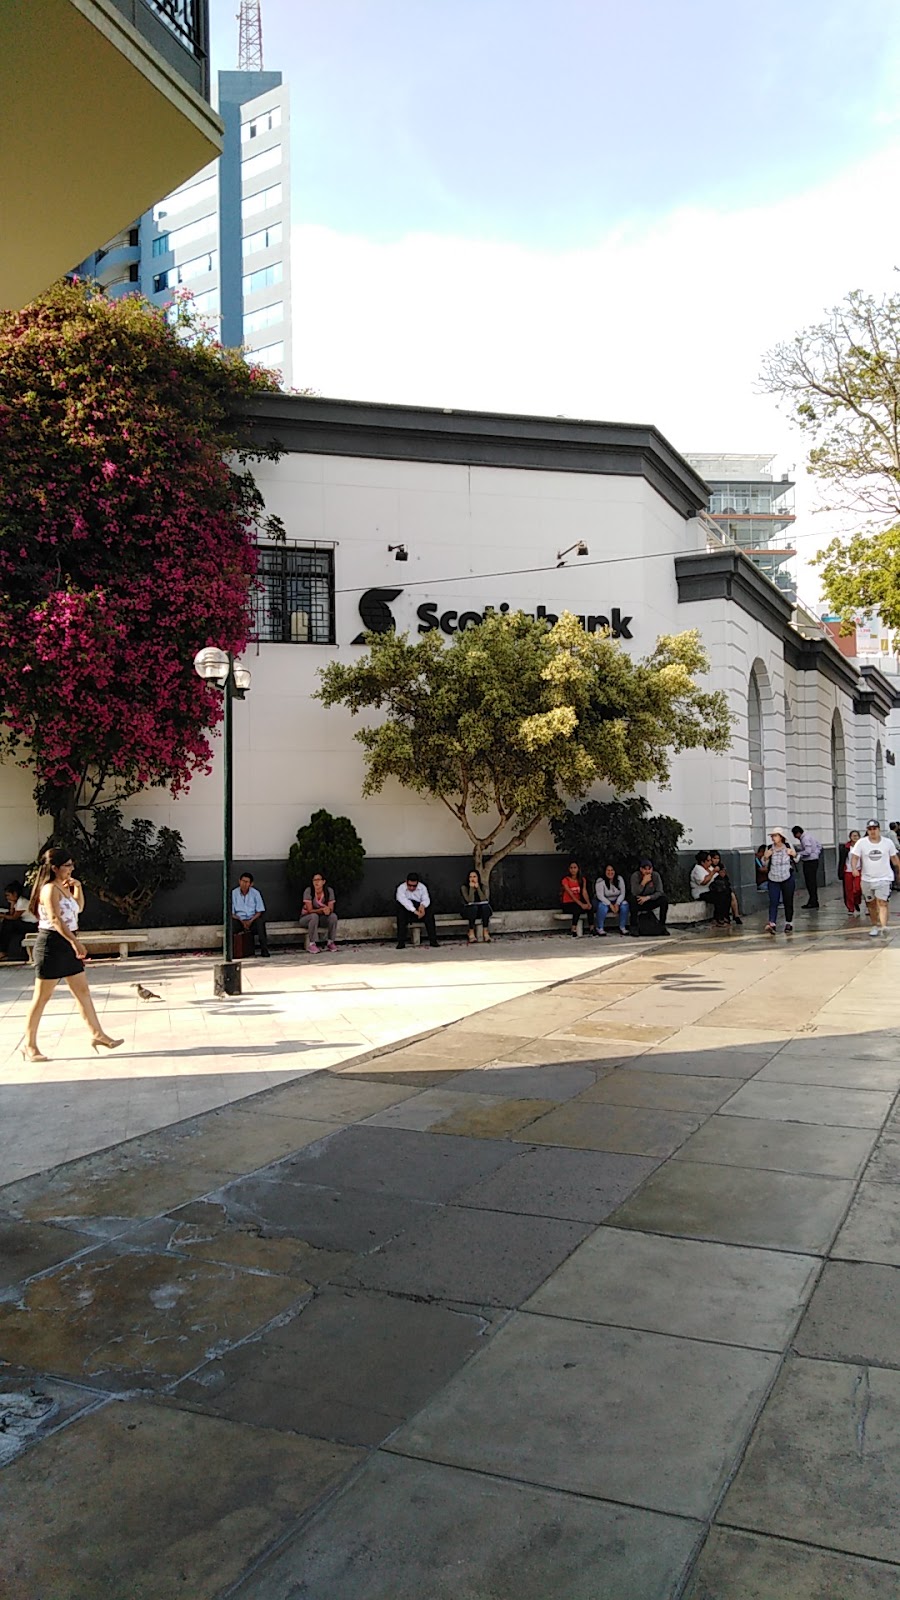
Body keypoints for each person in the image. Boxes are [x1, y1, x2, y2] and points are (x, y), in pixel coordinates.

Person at [23, 848, 122, 1063]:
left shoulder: (64, 886)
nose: (71, 869)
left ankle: (98, 1034)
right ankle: (29, 1045)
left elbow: (78, 908)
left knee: (82, 991)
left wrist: (78, 887)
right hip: (52, 944)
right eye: (67, 865)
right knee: (41, 997)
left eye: (71, 865)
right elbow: (55, 920)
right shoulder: (49, 889)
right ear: (55, 868)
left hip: (67, 941)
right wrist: (75, 942)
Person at [850, 821, 900, 938]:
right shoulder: (861, 843)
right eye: (870, 829)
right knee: (871, 904)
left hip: (884, 878)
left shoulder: (887, 843)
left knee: (882, 902)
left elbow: (894, 858)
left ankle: (884, 926)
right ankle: (874, 925)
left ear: (879, 829)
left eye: (875, 828)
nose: (872, 831)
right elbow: (855, 857)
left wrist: (898, 871)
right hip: (867, 879)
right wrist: (854, 868)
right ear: (867, 830)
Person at [762, 830, 797, 934]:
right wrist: (765, 857)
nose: (773, 838)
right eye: (772, 836)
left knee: (788, 901)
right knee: (773, 901)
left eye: (775, 835)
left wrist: (794, 854)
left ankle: (789, 923)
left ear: (781, 837)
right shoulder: (769, 848)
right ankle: (772, 923)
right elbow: (764, 863)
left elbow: (796, 859)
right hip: (773, 877)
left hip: (787, 877)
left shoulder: (788, 846)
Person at [231, 871, 270, 958]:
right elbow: (231, 912)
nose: (244, 884)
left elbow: (259, 911)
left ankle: (264, 950)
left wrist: (250, 921)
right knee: (232, 924)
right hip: (239, 920)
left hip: (252, 920)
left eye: (246, 882)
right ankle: (233, 951)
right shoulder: (233, 893)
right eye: (242, 881)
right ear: (239, 881)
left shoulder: (256, 893)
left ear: (251, 884)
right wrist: (242, 921)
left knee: (260, 923)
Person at [396, 871, 438, 948]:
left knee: (430, 915)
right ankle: (401, 942)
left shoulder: (422, 887)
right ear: (406, 882)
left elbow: (426, 899)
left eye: (414, 886)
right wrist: (415, 911)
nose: (412, 888)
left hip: (419, 908)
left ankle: (433, 940)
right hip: (407, 910)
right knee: (401, 914)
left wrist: (422, 906)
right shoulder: (401, 888)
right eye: (409, 885)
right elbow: (404, 902)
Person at [629, 859, 669, 936]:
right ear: (641, 869)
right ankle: (634, 927)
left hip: (650, 899)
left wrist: (648, 897)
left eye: (649, 869)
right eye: (645, 869)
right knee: (632, 900)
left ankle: (662, 926)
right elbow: (634, 892)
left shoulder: (655, 876)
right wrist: (643, 883)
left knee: (664, 899)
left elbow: (660, 891)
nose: (647, 871)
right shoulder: (635, 876)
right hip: (639, 900)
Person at [689, 852, 731, 925]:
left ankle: (725, 916)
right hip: (701, 892)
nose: (710, 862)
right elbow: (703, 882)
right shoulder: (697, 869)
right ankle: (718, 918)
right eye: (708, 861)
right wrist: (713, 872)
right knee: (720, 897)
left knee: (727, 893)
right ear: (702, 862)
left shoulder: (709, 868)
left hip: (712, 890)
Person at [0, 880, 37, 963]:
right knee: (7, 924)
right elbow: (11, 913)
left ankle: (3, 951)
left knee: (8, 924)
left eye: (8, 895)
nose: (7, 898)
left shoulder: (22, 902)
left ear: (15, 894)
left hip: (32, 925)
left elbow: (14, 917)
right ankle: (3, 950)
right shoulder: (17, 902)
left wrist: (2, 916)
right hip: (24, 922)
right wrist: (12, 904)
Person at [299, 873, 338, 952]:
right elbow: (310, 910)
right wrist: (322, 910)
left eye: (318, 880)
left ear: (323, 882)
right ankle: (312, 944)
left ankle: (331, 942)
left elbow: (331, 908)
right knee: (314, 916)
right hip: (307, 918)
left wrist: (328, 910)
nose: (316, 882)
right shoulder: (309, 891)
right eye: (314, 880)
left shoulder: (329, 891)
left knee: (333, 916)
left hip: (322, 918)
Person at [791, 825, 823, 910]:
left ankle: (813, 901)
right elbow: (819, 846)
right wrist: (816, 853)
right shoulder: (810, 836)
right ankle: (813, 900)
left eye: (795, 835)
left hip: (809, 862)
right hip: (814, 860)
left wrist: (799, 854)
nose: (795, 837)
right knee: (812, 882)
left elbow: (808, 851)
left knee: (810, 882)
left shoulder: (805, 838)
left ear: (798, 833)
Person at [708, 851, 743, 924]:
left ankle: (736, 915)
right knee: (728, 896)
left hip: (723, 886)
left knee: (732, 895)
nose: (716, 860)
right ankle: (729, 916)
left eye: (718, 858)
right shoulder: (710, 868)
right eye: (714, 858)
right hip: (716, 888)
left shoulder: (721, 866)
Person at [561, 861, 594, 936]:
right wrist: (581, 904)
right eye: (571, 868)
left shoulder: (582, 879)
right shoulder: (565, 880)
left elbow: (584, 892)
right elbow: (571, 894)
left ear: (578, 869)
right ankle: (573, 929)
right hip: (568, 903)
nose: (573, 870)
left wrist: (588, 903)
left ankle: (592, 928)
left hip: (578, 902)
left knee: (590, 907)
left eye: (575, 868)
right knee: (577, 908)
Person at [595, 864, 629, 936]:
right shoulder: (600, 881)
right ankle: (600, 928)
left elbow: (622, 893)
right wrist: (610, 904)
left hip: (617, 900)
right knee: (601, 907)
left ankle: (622, 927)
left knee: (625, 905)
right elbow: (600, 896)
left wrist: (617, 903)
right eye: (608, 870)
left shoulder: (619, 879)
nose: (610, 872)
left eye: (612, 870)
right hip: (606, 900)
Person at [460, 870, 492, 943]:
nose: (472, 879)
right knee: (473, 908)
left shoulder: (483, 887)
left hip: (480, 910)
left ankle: (485, 931)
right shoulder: (464, 887)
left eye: (474, 877)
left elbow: (484, 900)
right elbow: (469, 900)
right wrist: (471, 889)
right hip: (468, 910)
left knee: (485, 907)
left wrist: (478, 889)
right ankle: (471, 931)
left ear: (478, 878)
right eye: (470, 877)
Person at [842, 831, 862, 916]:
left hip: (858, 870)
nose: (855, 837)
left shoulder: (862, 847)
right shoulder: (846, 847)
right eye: (853, 836)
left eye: (856, 836)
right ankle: (850, 908)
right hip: (848, 871)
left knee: (857, 889)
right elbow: (842, 860)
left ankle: (856, 902)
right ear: (850, 837)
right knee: (848, 890)